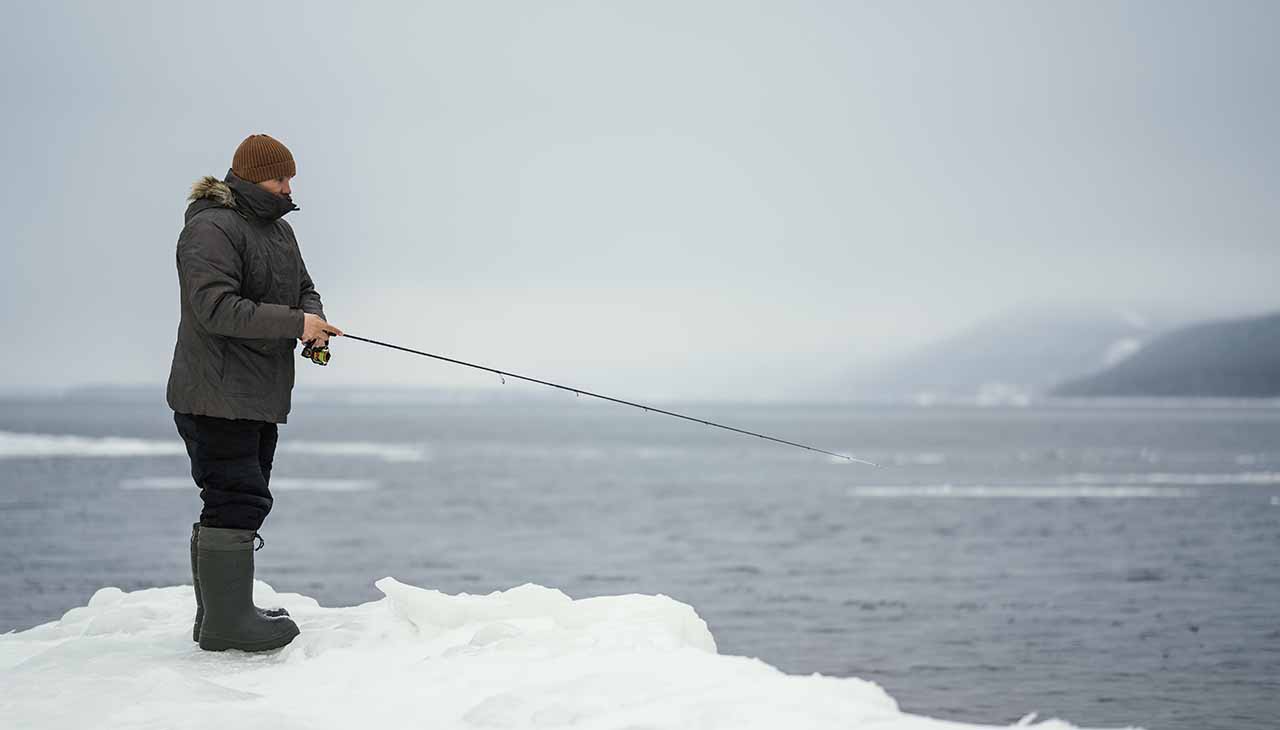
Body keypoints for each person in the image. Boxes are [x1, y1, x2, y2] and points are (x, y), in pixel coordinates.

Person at [167, 133, 342, 651]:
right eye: (278, 178)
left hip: (257, 395)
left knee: (237, 497)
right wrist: (295, 322)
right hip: (215, 395)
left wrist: (313, 319)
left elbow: (305, 288)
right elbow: (215, 309)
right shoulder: (211, 229)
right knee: (236, 499)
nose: (287, 187)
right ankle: (227, 624)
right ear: (246, 177)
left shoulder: (279, 232)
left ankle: (219, 614)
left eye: (291, 178)